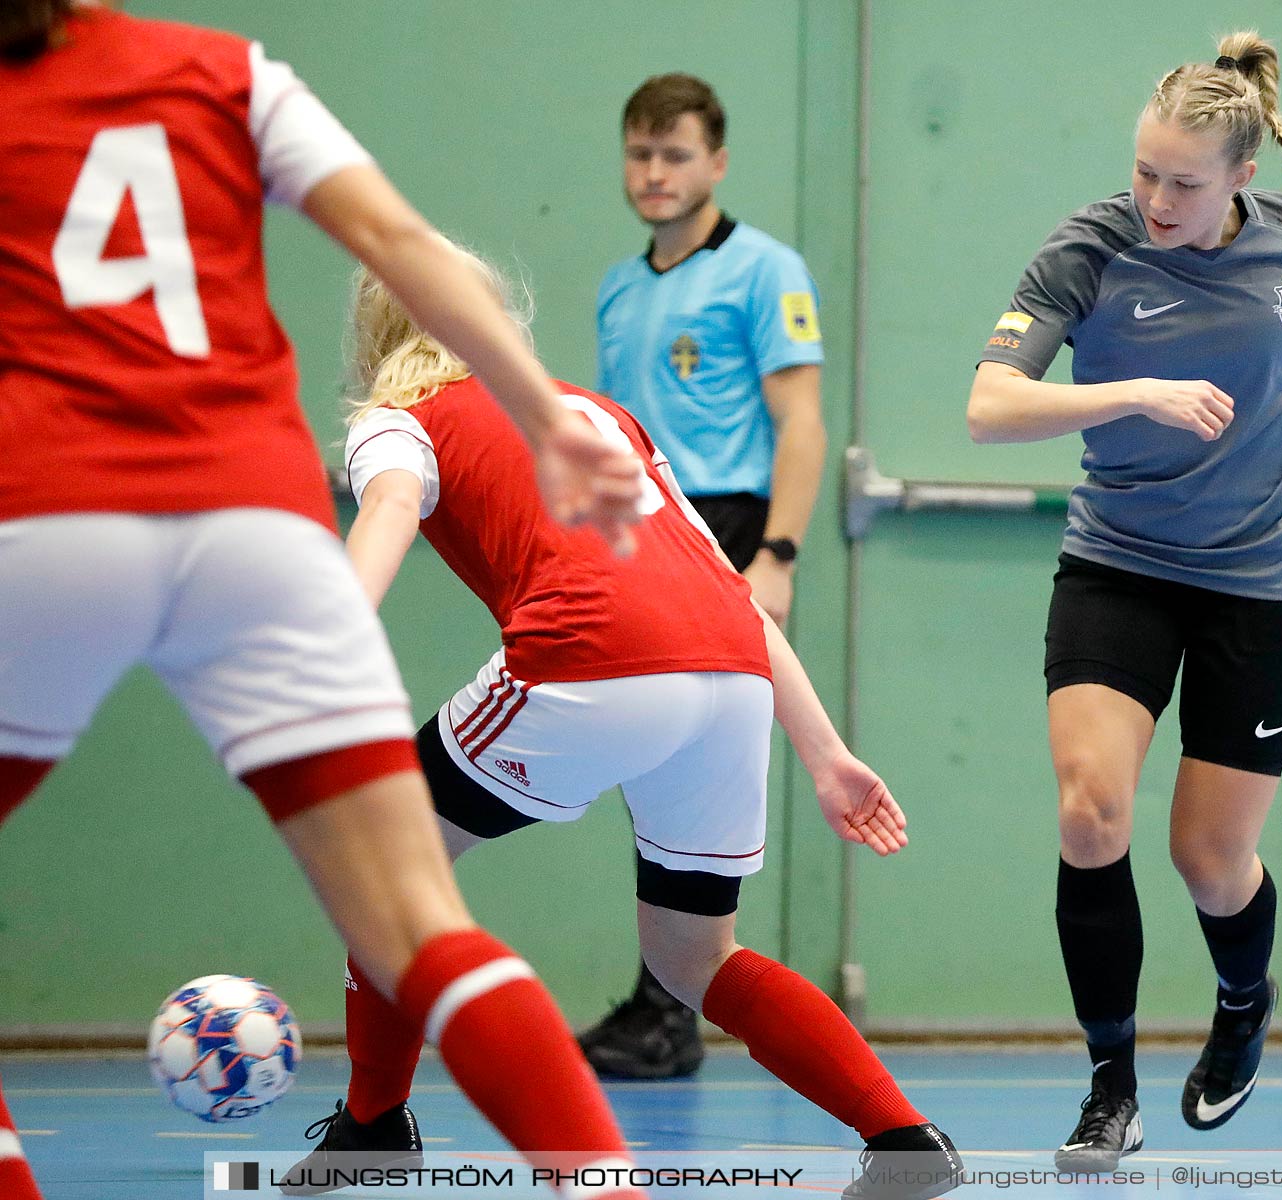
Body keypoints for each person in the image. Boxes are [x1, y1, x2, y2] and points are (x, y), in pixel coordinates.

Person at [0, 5, 648, 1199]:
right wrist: (548, 416)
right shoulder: (223, 70)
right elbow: (402, 241)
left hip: (50, 511)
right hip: (257, 518)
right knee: (417, 922)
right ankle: (604, 1184)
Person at [283, 251, 962, 1200]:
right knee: (694, 957)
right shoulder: (597, 412)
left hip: (590, 657)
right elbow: (727, 587)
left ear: (371, 336)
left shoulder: (398, 422)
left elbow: (391, 504)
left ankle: (373, 1130)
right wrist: (825, 751)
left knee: (380, 869)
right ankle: (901, 1139)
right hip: (730, 674)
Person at [966, 31, 1282, 1173]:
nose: (1154, 198)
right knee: (1091, 810)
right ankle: (1109, 1085)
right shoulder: (1092, 248)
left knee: (1206, 859)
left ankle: (1243, 1000)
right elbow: (990, 405)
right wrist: (1130, 389)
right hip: (1121, 561)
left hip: (1267, 582)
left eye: (1182, 182)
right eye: (1143, 171)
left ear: (1241, 173)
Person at [588, 71, 828, 1079]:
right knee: (649, 767)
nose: (654, 173)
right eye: (639, 153)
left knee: (702, 778)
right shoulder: (617, 285)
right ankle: (665, 999)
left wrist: (774, 554)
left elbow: (801, 424)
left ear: (715, 163)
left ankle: (672, 1004)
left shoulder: (765, 271)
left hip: (725, 528)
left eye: (674, 154)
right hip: (636, 539)